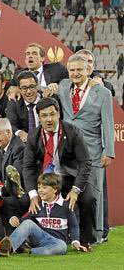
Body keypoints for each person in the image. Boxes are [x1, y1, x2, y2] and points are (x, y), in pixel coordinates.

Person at [51, 54, 115, 244]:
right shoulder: (62, 86)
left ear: (88, 70)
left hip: (93, 151)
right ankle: (71, 233)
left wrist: (108, 151)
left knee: (94, 194)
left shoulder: (102, 92)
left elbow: (108, 124)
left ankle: (95, 235)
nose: (76, 73)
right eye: (72, 70)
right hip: (67, 151)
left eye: (80, 69)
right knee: (67, 192)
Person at [22, 97, 95, 249]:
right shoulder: (33, 136)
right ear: (39, 117)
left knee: (87, 198)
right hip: (47, 180)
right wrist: (33, 195)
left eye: (52, 114)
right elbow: (28, 167)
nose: (49, 119)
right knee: (25, 200)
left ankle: (85, 239)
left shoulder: (72, 131)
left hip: (71, 177)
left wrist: (76, 190)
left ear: (59, 114)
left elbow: (85, 162)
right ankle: (30, 239)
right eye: (44, 115)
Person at [2, 173, 88, 255]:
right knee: (28, 223)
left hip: (56, 242)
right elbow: (24, 222)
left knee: (62, 247)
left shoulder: (66, 206)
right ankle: (7, 248)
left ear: (55, 189)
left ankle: (29, 251)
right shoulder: (37, 205)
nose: (40, 190)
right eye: (39, 187)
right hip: (38, 238)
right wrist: (14, 219)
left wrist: (76, 242)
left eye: (44, 187)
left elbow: (74, 226)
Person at [6, 71, 42, 142]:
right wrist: (20, 133)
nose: (28, 91)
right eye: (24, 88)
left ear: (37, 86)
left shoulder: (46, 98)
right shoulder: (14, 102)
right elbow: (10, 125)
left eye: (32, 87)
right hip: (25, 144)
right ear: (19, 89)